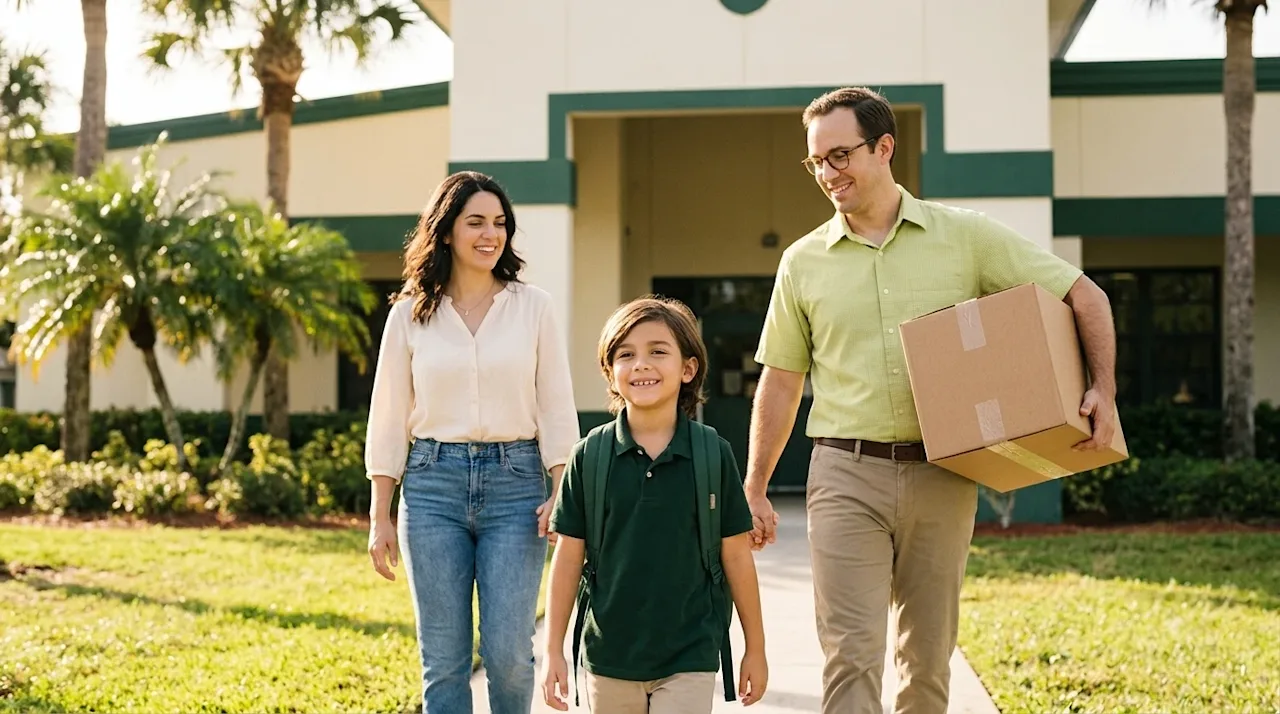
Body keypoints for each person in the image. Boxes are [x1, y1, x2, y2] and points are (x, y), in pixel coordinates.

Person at [744, 88, 1118, 714]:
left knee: (927, 658)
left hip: (944, 472)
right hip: (844, 471)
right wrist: (754, 486)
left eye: (841, 155)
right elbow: (780, 382)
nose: (828, 173)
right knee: (850, 653)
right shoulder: (802, 262)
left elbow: (1086, 296)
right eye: (817, 162)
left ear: (884, 147)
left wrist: (1102, 390)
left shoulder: (965, 238)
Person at [364, 170, 580, 714]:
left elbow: (556, 404)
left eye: (500, 223)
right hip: (432, 486)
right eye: (476, 222)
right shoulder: (410, 313)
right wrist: (379, 515)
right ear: (446, 231)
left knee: (508, 653)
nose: (491, 234)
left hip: (518, 486)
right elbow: (388, 415)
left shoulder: (534, 307)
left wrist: (562, 491)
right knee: (443, 660)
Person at [539, 296, 769, 713]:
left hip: (690, 653)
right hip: (608, 656)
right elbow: (569, 558)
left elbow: (735, 555)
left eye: (657, 351)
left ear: (688, 369)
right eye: (626, 355)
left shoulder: (712, 453)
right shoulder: (589, 456)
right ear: (611, 374)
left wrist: (755, 647)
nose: (641, 364)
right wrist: (552, 651)